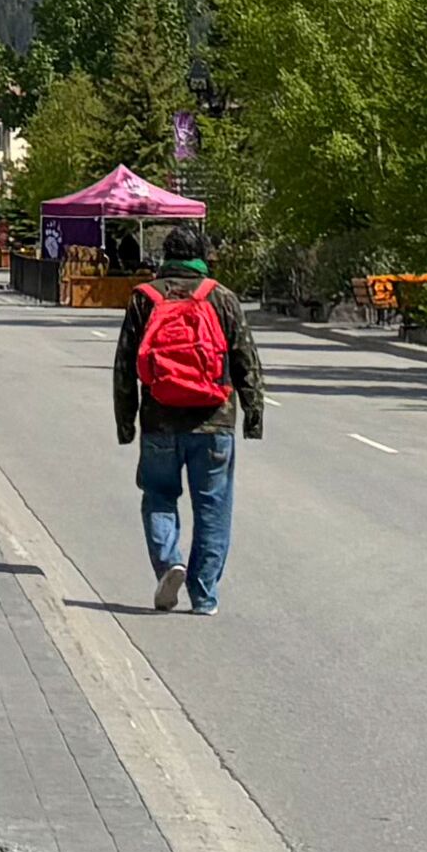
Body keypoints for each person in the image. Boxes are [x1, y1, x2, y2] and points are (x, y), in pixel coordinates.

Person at [111, 234, 263, 615]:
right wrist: (253, 415)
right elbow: (246, 359)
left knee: (159, 495)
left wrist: (125, 422)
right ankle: (204, 595)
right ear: (203, 256)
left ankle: (169, 563)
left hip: (160, 420)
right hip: (215, 422)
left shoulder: (145, 297)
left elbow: (125, 365)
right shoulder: (221, 297)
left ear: (166, 257)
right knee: (213, 507)